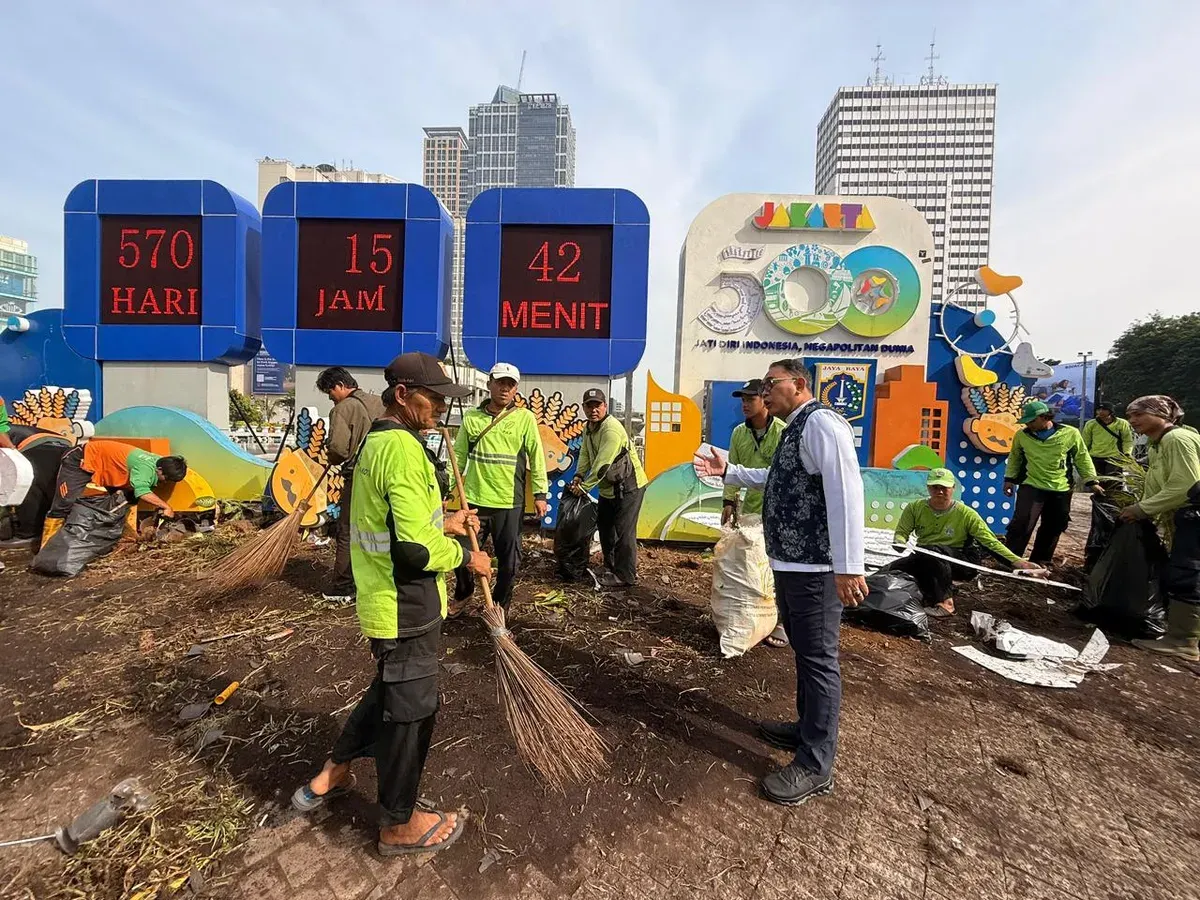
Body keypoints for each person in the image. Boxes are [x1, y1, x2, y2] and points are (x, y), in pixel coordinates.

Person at [293, 351, 492, 856]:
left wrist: (445, 521)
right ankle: (398, 824)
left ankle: (334, 771)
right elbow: (414, 551)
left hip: (386, 600)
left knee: (389, 691)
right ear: (402, 395)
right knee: (410, 714)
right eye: (433, 398)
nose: (441, 408)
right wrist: (467, 558)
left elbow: (397, 523)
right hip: (406, 604)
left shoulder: (379, 443)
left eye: (445, 399)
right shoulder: (403, 450)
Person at [696, 359, 866, 807]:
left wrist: (849, 565)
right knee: (806, 654)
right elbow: (781, 479)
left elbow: (847, 491)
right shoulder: (795, 427)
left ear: (799, 384)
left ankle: (815, 763)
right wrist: (730, 471)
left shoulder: (822, 423)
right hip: (791, 564)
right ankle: (806, 728)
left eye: (772, 383)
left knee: (819, 660)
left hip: (816, 569)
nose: (766, 390)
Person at [451, 363, 548, 611]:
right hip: (474, 501)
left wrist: (540, 494)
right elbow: (458, 456)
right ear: (489, 384)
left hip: (509, 502)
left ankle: (498, 606)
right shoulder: (472, 418)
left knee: (510, 562)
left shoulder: (524, 418)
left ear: (516, 389)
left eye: (510, 384)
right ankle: (464, 594)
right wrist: (446, 489)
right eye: (500, 383)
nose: (505, 388)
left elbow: (536, 456)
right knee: (461, 553)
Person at [888, 468, 1042, 616]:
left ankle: (946, 604)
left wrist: (1019, 562)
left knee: (934, 552)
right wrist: (899, 542)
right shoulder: (915, 508)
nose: (939, 491)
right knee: (892, 569)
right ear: (928, 488)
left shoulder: (966, 514)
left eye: (944, 488)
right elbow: (901, 532)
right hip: (926, 556)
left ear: (953, 488)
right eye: (935, 487)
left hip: (961, 561)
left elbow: (990, 542)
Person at [1121, 396, 1200, 660]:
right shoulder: (1157, 444)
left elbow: (1185, 486)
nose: (1132, 420)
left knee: (1187, 573)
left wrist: (1141, 510)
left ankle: (1183, 642)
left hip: (1195, 514)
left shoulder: (1176, 439)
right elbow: (1160, 484)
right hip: (1185, 516)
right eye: (1130, 416)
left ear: (1162, 414)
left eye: (1139, 414)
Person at [316, 367, 386, 604]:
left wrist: (332, 457)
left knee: (347, 530)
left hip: (358, 476)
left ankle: (343, 586)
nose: (331, 398)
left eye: (330, 393)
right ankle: (378, 580)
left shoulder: (343, 409)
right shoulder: (380, 402)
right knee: (379, 528)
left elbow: (338, 449)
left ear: (339, 386)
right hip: (384, 476)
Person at [1003, 399, 1103, 565]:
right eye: (1026, 422)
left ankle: (1041, 561)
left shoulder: (1070, 433)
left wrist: (1092, 481)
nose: (1028, 425)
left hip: (1061, 488)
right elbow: (1015, 458)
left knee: (1054, 525)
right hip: (1031, 485)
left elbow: (1082, 457)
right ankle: (1010, 559)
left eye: (1031, 421)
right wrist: (1009, 480)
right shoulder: (1022, 435)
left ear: (1044, 417)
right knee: (1022, 523)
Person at [568, 388, 648, 588]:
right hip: (609, 488)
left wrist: (584, 487)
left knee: (624, 532)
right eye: (589, 406)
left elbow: (602, 465)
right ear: (584, 407)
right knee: (605, 528)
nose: (593, 410)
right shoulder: (589, 427)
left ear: (605, 406)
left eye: (597, 405)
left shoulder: (611, 430)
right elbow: (585, 453)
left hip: (629, 487)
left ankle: (625, 575)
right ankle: (610, 567)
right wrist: (578, 475)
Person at [48, 440, 186, 521]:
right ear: (159, 469)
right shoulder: (145, 468)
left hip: (105, 467)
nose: (166, 482)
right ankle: (50, 546)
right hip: (81, 459)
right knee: (65, 502)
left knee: (128, 499)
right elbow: (142, 491)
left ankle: (125, 535)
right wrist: (166, 506)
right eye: (166, 478)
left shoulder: (159, 463)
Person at [721, 379, 785, 528]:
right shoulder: (739, 432)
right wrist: (728, 502)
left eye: (750, 399)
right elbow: (733, 467)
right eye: (743, 400)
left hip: (776, 510)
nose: (745, 404)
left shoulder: (782, 431)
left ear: (764, 399)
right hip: (749, 511)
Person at [1082, 404, 1134, 479]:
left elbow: (1127, 440)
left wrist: (1127, 453)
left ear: (1110, 411)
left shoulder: (1121, 423)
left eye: (1104, 409)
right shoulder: (1091, 424)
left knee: (1114, 482)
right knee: (1097, 481)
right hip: (1095, 457)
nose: (1100, 412)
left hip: (1115, 457)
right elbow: (1085, 441)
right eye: (1098, 410)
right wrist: (1083, 456)